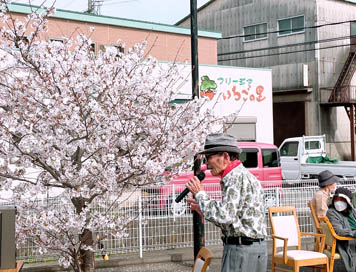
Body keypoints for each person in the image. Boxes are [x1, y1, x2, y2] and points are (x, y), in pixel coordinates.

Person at [185, 133, 267, 272]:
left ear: (225, 156)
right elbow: (234, 220)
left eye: (209, 157)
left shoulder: (233, 178)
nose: (206, 163)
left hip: (240, 251)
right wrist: (204, 209)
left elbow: (225, 216)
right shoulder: (248, 176)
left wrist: (200, 194)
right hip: (258, 250)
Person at [327, 187, 356, 272]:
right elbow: (339, 231)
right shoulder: (332, 212)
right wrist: (354, 233)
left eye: (341, 200)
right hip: (346, 241)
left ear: (348, 201)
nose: (338, 202)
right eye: (336, 199)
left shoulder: (351, 211)